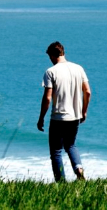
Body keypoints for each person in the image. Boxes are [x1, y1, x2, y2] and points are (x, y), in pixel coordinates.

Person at [37, 41, 91, 182]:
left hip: (58, 118)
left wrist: (41, 117)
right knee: (71, 145)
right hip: (75, 116)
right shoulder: (78, 68)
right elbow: (88, 92)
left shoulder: (50, 72)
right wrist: (83, 111)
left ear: (53, 55)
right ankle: (78, 168)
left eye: (50, 57)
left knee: (56, 152)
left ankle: (61, 183)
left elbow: (48, 98)